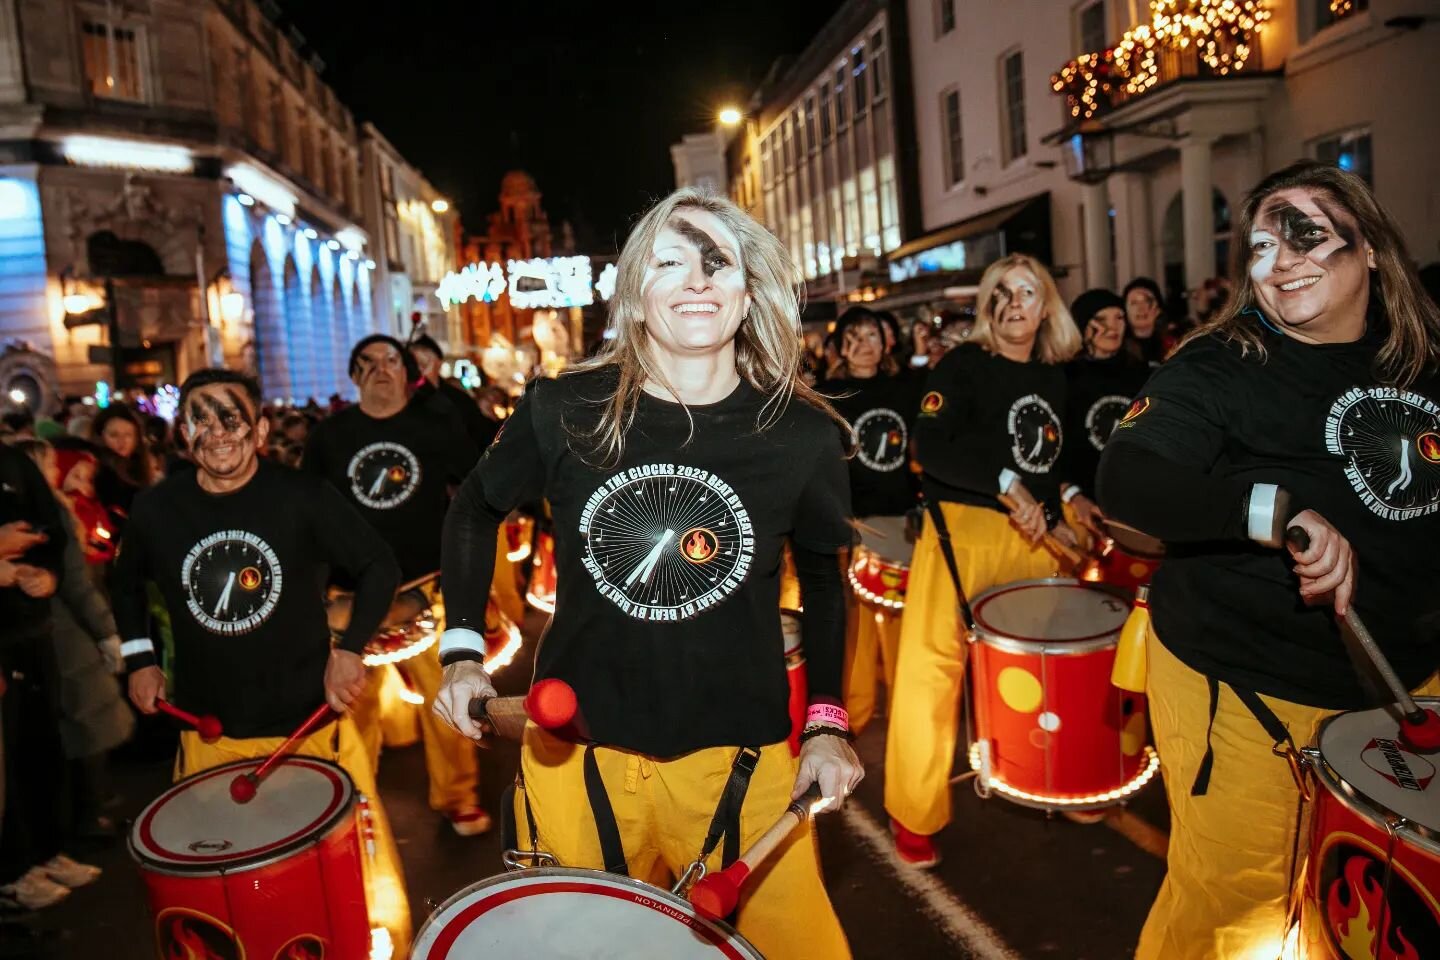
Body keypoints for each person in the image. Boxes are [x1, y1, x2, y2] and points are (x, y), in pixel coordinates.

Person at [432, 188, 860, 960]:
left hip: (740, 763)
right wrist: (461, 653)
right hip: (576, 756)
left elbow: (827, 581)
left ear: (747, 290)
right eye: (671, 261)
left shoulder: (801, 436)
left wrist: (828, 723)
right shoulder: (565, 409)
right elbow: (471, 511)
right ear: (634, 297)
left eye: (716, 262)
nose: (697, 280)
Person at [1097, 160, 1440, 959]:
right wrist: (1276, 513)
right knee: (1234, 915)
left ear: (1372, 252)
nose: (1281, 260)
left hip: (1409, 686)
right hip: (1249, 685)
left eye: (1308, 235)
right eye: (1261, 244)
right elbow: (1129, 481)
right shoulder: (1222, 363)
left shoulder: (1422, 359)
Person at [112, 369, 411, 949]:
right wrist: (138, 657)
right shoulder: (156, 509)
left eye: (233, 419)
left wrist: (349, 652)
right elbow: (123, 584)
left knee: (353, 897)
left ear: (260, 428)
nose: (219, 433)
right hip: (208, 735)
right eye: (202, 419)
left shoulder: (301, 495)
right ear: (182, 434)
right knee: (228, 906)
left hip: (312, 731)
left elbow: (380, 566)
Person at [884, 253, 1080, 868]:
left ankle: (1054, 776)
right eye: (1002, 292)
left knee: (1047, 669)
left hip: (1030, 540)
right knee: (932, 674)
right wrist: (1005, 484)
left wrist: (1061, 504)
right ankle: (913, 811)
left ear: (1046, 304)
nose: (1015, 302)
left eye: (1028, 291)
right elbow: (932, 447)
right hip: (961, 535)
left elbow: (1046, 462)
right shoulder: (962, 365)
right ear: (988, 305)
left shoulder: (1053, 377)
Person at [305, 334, 489, 835]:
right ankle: (353, 804)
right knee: (351, 707)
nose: (380, 368)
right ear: (353, 374)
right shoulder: (329, 436)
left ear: (407, 371)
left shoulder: (435, 424)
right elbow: (309, 514)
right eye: (367, 361)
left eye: (391, 360)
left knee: (448, 699)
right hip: (351, 597)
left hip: (428, 585)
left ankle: (458, 797)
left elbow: (477, 484)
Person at [15, 439, 133, 842]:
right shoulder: (52, 514)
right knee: (88, 717)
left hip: (51, 627)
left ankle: (86, 809)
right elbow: (77, 584)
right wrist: (107, 632)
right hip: (67, 629)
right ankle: (89, 814)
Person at [0, 443, 101, 910]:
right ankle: (13, 869)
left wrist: (50, 576)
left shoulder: (13, 461)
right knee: (10, 757)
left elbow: (53, 531)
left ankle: (46, 850)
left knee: (41, 745)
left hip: (32, 627)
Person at [819, 309, 921, 734]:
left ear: (887, 342)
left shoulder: (907, 390)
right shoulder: (827, 395)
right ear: (841, 347)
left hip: (901, 524)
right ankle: (852, 721)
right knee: (854, 634)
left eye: (873, 336)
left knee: (903, 626)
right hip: (853, 527)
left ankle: (906, 719)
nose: (864, 345)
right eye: (854, 337)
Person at [1060, 289, 1152, 540]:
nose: (1113, 327)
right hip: (1083, 512)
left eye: (1119, 317)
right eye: (1101, 320)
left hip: (1139, 509)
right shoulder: (1064, 377)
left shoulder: (1142, 374)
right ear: (1081, 325)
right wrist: (1073, 496)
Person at [410, 333, 500, 452]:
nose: (419, 370)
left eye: (423, 364)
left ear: (438, 363)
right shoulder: (405, 398)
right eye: (413, 365)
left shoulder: (457, 399)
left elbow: (480, 436)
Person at [1122, 277, 1171, 366]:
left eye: (1147, 301)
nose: (1141, 308)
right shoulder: (1118, 351)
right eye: (1134, 303)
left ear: (1158, 308)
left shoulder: (1173, 346)